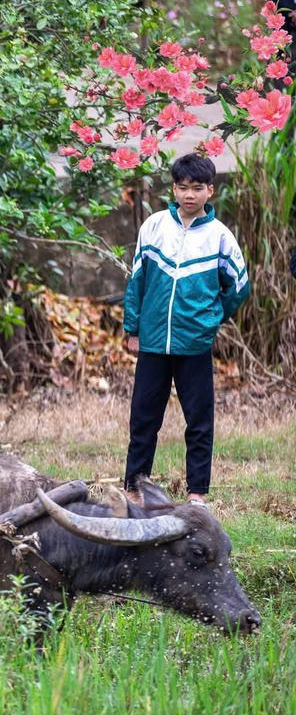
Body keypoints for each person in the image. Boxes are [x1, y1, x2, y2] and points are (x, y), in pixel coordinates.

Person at [123, 154, 250, 503]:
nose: (189, 195)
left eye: (197, 188)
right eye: (182, 187)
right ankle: (134, 489)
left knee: (199, 423)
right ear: (174, 189)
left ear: (211, 190)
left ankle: (197, 494)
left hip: (194, 345)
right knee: (143, 420)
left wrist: (211, 319)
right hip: (152, 343)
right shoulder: (154, 227)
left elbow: (239, 287)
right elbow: (137, 281)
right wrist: (133, 329)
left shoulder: (220, 237)